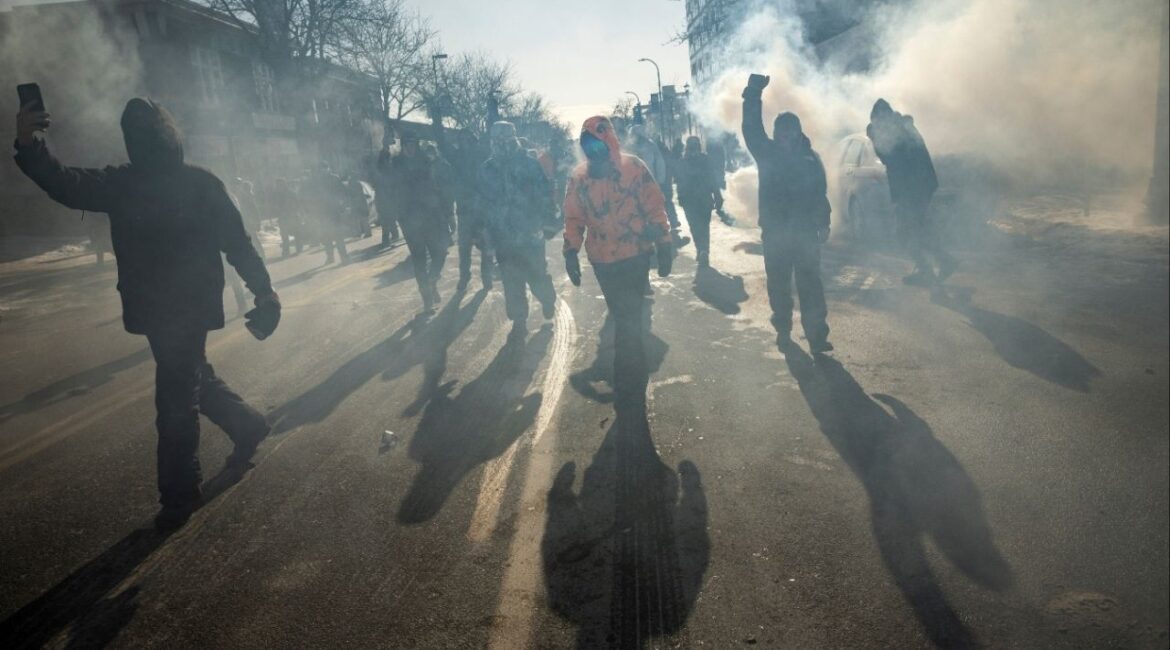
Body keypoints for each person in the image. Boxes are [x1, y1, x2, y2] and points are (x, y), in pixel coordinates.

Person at [14, 98, 280, 530]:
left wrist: (266, 292)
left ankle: (179, 493)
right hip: (165, 307)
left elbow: (66, 183)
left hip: (179, 307)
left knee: (175, 396)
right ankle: (246, 425)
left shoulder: (147, 183)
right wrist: (28, 142)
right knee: (192, 376)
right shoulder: (174, 183)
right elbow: (239, 244)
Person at [563, 116, 673, 408]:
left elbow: (654, 204)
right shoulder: (579, 177)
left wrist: (664, 243)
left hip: (636, 254)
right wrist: (570, 251)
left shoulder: (633, 167)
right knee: (622, 314)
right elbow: (574, 217)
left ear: (609, 141)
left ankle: (629, 375)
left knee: (629, 317)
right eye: (588, 147)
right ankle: (630, 371)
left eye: (598, 145)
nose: (593, 152)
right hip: (602, 260)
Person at [741, 74, 833, 353]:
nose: (787, 136)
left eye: (791, 131)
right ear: (776, 133)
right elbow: (751, 129)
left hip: (805, 232)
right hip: (776, 232)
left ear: (798, 132)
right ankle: (782, 326)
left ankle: (817, 336)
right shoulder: (766, 152)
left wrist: (824, 222)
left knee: (811, 285)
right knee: (779, 284)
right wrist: (753, 93)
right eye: (782, 131)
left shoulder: (810, 157)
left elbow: (820, 192)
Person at [479, 121, 558, 341]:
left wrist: (549, 221)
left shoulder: (529, 164)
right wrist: (483, 232)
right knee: (511, 281)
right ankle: (519, 321)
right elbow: (481, 202)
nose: (501, 145)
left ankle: (547, 299)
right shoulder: (487, 168)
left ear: (513, 139)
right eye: (497, 141)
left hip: (530, 233)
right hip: (502, 236)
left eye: (505, 140)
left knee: (536, 276)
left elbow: (544, 193)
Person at [867, 98, 956, 285]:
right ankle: (937, 264)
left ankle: (934, 265)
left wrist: (874, 137)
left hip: (912, 188)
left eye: (877, 120)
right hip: (920, 186)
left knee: (905, 232)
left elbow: (888, 158)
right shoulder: (903, 127)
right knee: (917, 229)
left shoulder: (895, 132)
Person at [386, 132, 454, 312]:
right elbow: (388, 184)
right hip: (409, 218)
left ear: (417, 145)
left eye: (413, 144)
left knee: (440, 252)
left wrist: (448, 213)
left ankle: (432, 281)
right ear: (403, 145)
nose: (410, 147)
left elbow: (441, 186)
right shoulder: (395, 163)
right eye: (407, 143)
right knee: (419, 259)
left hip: (431, 215)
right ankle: (427, 300)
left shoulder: (427, 161)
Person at [433, 115, 493, 292]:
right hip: (465, 210)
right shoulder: (456, 157)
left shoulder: (482, 153)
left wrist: (492, 108)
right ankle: (464, 277)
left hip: (482, 209)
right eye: (462, 139)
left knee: (486, 247)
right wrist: (436, 116)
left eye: (468, 138)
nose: (465, 141)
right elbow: (442, 143)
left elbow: (491, 132)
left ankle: (486, 277)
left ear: (473, 140)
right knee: (464, 248)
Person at [627, 125, 690, 249]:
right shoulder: (634, 147)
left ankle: (660, 235)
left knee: (654, 209)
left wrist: (659, 181)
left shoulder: (649, 146)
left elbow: (659, 163)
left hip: (648, 183)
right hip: (638, 185)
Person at [674, 136, 721, 268]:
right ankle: (703, 250)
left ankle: (701, 249)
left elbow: (679, 182)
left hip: (691, 200)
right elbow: (713, 179)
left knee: (695, 226)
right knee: (703, 226)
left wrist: (681, 196)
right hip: (702, 199)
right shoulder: (705, 160)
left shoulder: (682, 162)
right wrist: (717, 195)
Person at [304, 164, 350, 265]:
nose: (323, 171)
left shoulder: (334, 178)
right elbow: (311, 196)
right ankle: (330, 257)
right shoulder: (316, 181)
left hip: (334, 212)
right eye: (321, 169)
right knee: (327, 236)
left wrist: (342, 204)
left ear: (328, 169)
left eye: (325, 168)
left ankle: (344, 256)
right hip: (322, 213)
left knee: (338, 236)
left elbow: (343, 192)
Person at [271, 177, 304, 257]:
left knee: (296, 233)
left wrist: (297, 212)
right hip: (283, 217)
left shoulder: (291, 193)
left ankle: (299, 248)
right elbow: (274, 206)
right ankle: (286, 251)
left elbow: (298, 203)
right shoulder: (276, 194)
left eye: (279, 184)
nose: (278, 186)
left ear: (283, 184)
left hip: (292, 215)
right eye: (277, 185)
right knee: (284, 235)